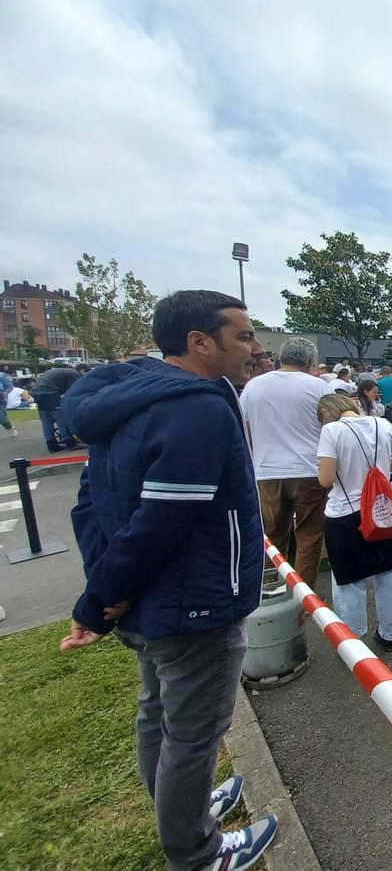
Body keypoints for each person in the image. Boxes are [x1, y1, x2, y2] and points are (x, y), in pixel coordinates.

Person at [59, 290, 278, 870]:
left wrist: (103, 591)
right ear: (199, 342)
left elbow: (92, 505)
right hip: (194, 602)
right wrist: (104, 594)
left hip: (151, 598)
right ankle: (198, 851)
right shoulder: (198, 409)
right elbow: (161, 520)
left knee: (158, 712)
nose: (256, 348)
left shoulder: (131, 400)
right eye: (244, 336)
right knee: (193, 733)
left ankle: (180, 809)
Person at [239, 337, 334, 590]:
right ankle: (302, 598)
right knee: (309, 536)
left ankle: (269, 589)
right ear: (310, 360)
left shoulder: (253, 387)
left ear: (281, 357)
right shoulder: (319, 387)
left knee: (271, 537)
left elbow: (245, 430)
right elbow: (331, 429)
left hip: (266, 471)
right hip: (309, 470)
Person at [316, 393, 392, 652]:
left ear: (326, 412)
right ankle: (389, 634)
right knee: (388, 576)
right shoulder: (383, 424)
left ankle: (354, 642)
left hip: (346, 515)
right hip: (383, 510)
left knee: (350, 583)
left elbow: (325, 479)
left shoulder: (332, 431)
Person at [31, 364, 83, 450]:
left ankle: (51, 445)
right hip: (49, 394)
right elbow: (74, 390)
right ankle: (70, 442)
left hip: (37, 394)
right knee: (61, 419)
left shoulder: (56, 371)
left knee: (47, 421)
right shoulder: (73, 372)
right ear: (82, 370)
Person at [0, 367, 15, 437]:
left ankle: (10, 427)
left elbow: (10, 386)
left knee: (2, 417)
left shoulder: (1, 376)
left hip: (1, 398)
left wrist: (5, 393)